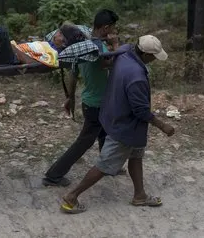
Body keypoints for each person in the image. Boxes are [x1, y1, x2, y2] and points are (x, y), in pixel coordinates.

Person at [60, 35, 176, 214]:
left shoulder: (126, 53)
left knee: (136, 155)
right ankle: (72, 197)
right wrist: (163, 126)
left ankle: (140, 195)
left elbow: (118, 50)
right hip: (125, 126)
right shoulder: (136, 76)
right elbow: (141, 111)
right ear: (144, 54)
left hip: (121, 119)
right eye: (153, 56)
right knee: (105, 165)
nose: (154, 59)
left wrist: (114, 44)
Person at [42, 9, 122, 187]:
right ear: (106, 28)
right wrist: (116, 45)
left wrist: (71, 98)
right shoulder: (97, 48)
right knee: (84, 141)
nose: (114, 32)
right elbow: (117, 66)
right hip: (96, 103)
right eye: (113, 28)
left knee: (105, 132)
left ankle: (109, 165)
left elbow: (73, 73)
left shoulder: (81, 46)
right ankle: (54, 175)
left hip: (92, 101)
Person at [0, 18, 86, 69]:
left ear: (64, 43)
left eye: (61, 34)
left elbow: (30, 63)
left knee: (0, 32)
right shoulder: (48, 43)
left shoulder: (54, 55)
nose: (56, 33)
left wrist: (14, 48)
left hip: (10, 59)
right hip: (7, 51)